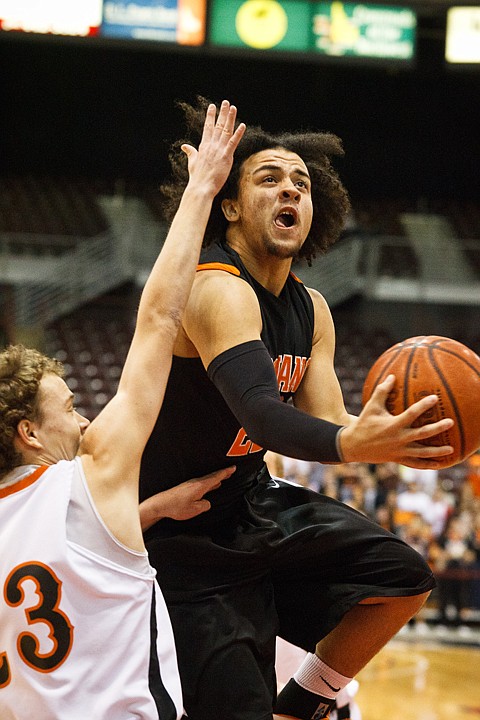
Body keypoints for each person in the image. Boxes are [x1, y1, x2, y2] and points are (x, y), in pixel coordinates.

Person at [139, 97, 455, 720]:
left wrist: (386, 435)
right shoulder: (215, 288)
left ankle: (302, 704)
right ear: (228, 206)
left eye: (302, 184)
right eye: (269, 179)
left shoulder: (312, 309)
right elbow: (261, 413)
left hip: (251, 502)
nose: (291, 190)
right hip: (183, 533)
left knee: (402, 581)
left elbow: (329, 419)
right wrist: (354, 446)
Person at [0, 100, 245, 719]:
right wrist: (201, 191)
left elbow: (62, 555)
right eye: (70, 406)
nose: (84, 421)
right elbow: (160, 318)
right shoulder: (94, 471)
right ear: (28, 432)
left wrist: (154, 509)